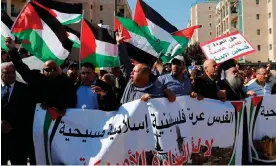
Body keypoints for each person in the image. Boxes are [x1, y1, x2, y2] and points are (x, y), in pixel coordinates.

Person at [6, 37, 77, 116]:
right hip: (37, 119)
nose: (51, 72)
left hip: (59, 123)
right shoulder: (38, 80)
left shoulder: (66, 83)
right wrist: (12, 50)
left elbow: (71, 103)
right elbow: (21, 68)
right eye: (47, 69)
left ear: (59, 70)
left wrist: (58, 108)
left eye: (54, 69)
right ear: (43, 71)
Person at [1, 63, 34, 165]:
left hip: (18, 139)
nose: (11, 75)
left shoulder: (25, 89)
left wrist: (13, 125)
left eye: (13, 72)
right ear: (1, 74)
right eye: (7, 73)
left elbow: (29, 113)